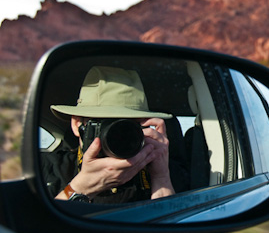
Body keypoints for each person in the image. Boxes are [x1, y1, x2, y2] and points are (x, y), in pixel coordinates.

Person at [48, 66, 175, 203]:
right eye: (103, 124)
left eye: (127, 125)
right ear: (77, 124)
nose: (116, 135)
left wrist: (161, 179)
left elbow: (172, 220)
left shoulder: (162, 168)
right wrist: (80, 187)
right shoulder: (49, 170)